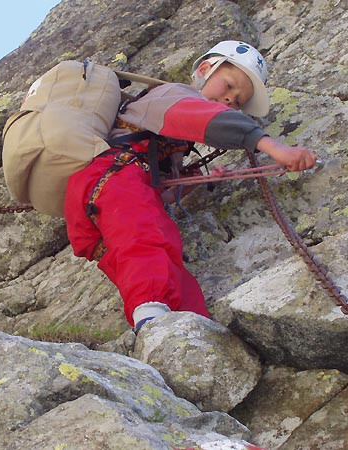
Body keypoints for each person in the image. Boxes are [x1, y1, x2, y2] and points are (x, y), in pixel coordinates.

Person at [63, 40, 317, 332]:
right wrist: (273, 147)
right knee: (150, 238)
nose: (230, 100)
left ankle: (194, 333)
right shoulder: (174, 94)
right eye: (230, 86)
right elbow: (204, 118)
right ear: (206, 69)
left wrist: (197, 179)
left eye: (238, 101)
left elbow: (163, 192)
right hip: (112, 177)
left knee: (171, 270)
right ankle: (153, 322)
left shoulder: (174, 139)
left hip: (100, 197)